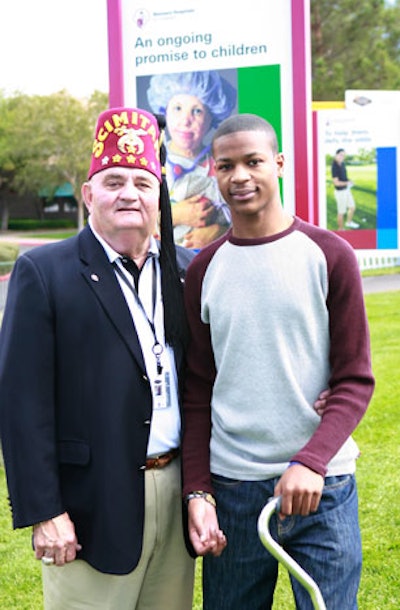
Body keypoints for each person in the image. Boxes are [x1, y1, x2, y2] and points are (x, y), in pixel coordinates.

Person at [0, 107, 197, 609]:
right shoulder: (44, 272)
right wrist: (45, 511)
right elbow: (22, 404)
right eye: (113, 181)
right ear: (89, 195)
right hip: (90, 504)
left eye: (141, 182)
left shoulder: (186, 270)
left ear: (159, 196)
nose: (128, 193)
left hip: (174, 492)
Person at [181, 114, 375, 609]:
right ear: (214, 173)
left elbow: (354, 380)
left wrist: (311, 461)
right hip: (235, 490)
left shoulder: (329, 254)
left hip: (322, 488)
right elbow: (198, 389)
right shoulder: (204, 269)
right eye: (226, 166)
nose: (240, 176)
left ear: (279, 164)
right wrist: (199, 489)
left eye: (253, 162)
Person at [146, 70, 237, 249]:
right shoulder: (149, 161)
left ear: (212, 118)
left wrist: (221, 232)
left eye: (197, 111)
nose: (185, 121)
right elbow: (129, 225)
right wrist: (175, 216)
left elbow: (245, 215)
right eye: (177, 108)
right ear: (165, 112)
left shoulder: (223, 165)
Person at [331, 148, 360, 230]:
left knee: (352, 207)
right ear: (336, 155)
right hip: (340, 192)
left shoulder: (342, 164)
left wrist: (349, 180)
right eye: (340, 155)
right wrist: (347, 183)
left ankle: (349, 222)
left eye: (344, 155)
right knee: (341, 212)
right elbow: (336, 183)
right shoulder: (334, 167)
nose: (342, 157)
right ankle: (341, 229)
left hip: (346, 190)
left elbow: (344, 177)